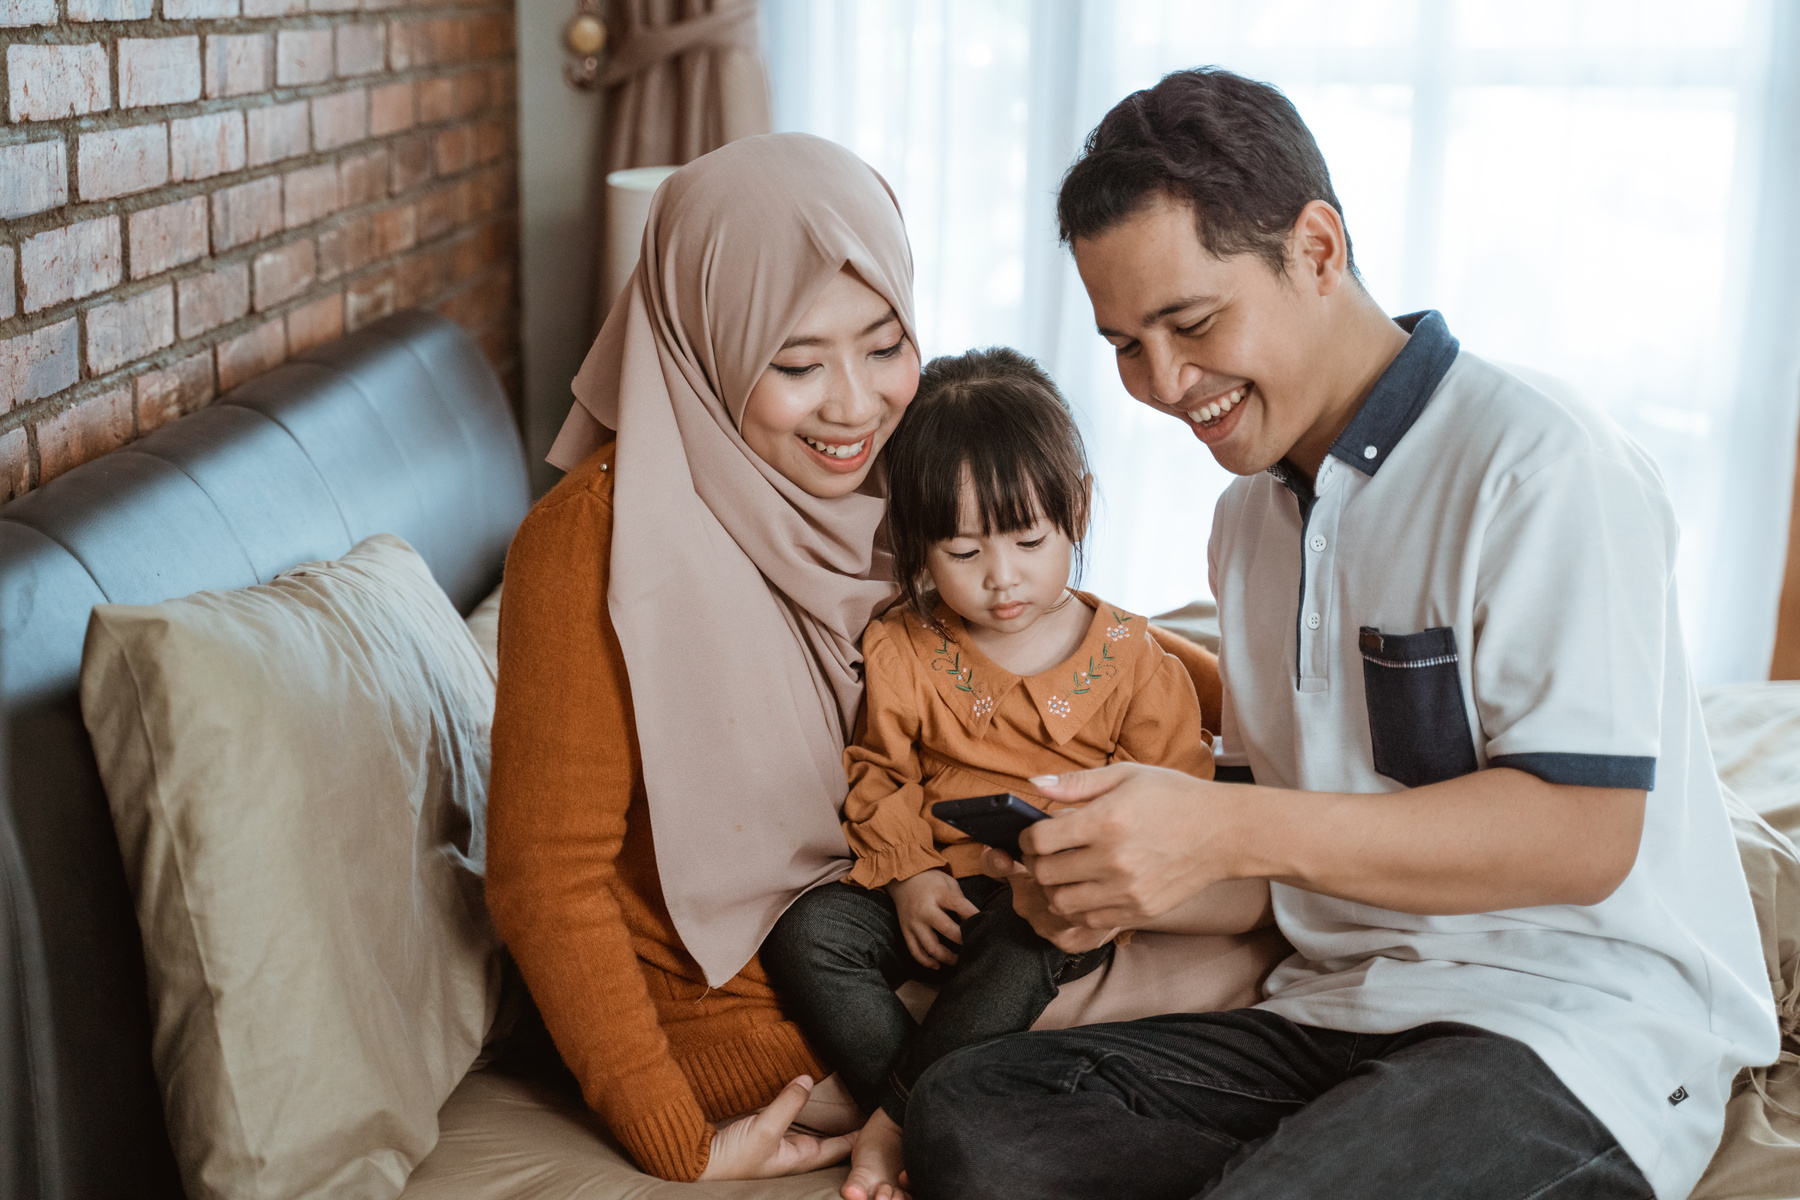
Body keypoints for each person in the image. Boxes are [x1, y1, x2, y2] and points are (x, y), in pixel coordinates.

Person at [903, 68, 1780, 1200]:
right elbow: (1291, 861)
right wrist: (1126, 867)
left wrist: (1222, 830)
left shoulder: (1542, 464)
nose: (1166, 385)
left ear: (1316, 250)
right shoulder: (1246, 523)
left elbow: (1585, 833)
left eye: (1192, 321)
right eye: (1126, 345)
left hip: (1571, 1023)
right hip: (1337, 1013)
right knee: (969, 1113)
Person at [486, 133, 925, 1184]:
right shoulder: (586, 545)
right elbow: (545, 878)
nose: (855, 406)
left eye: (884, 344)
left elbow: (1056, 627)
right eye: (797, 362)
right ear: (704, 341)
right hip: (756, 1027)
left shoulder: (904, 479)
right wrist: (675, 1141)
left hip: (902, 936)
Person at [761, 347, 1272, 1200]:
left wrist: (1091, 864)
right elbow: (879, 773)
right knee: (806, 932)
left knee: (1031, 933)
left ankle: (893, 1116)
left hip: (1056, 899)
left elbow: (1176, 806)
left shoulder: (1134, 660)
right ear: (918, 545)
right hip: (944, 888)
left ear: (1073, 512)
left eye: (1030, 541)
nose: (1002, 580)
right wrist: (911, 878)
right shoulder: (904, 644)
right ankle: (931, 1085)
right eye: (961, 553)